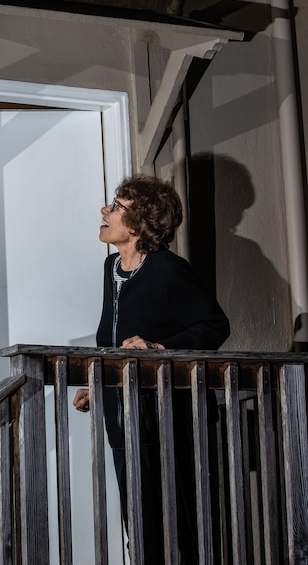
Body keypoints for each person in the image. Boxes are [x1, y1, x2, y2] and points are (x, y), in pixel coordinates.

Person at [73, 175, 230, 563]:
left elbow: (214, 325)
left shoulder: (166, 269)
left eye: (117, 206)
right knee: (141, 533)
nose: (105, 210)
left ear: (139, 222)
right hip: (122, 422)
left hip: (165, 423)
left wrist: (160, 349)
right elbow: (116, 341)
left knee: (178, 532)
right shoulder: (111, 268)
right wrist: (100, 383)